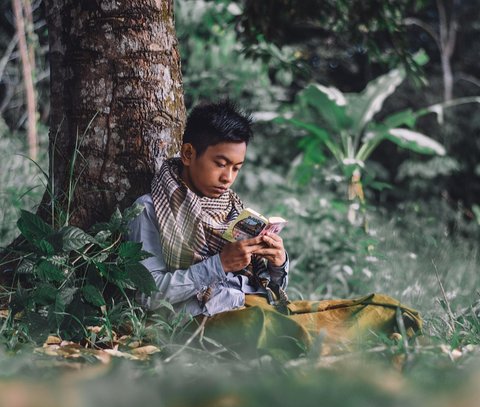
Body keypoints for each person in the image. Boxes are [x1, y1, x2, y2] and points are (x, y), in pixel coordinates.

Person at [128, 100, 421, 359]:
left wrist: (277, 264)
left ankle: (349, 333)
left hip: (252, 305)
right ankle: (334, 344)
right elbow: (148, 296)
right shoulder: (151, 210)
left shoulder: (231, 209)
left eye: (237, 168)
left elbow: (270, 290)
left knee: (381, 308)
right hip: (203, 321)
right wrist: (218, 265)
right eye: (221, 164)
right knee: (269, 328)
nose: (228, 177)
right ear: (189, 154)